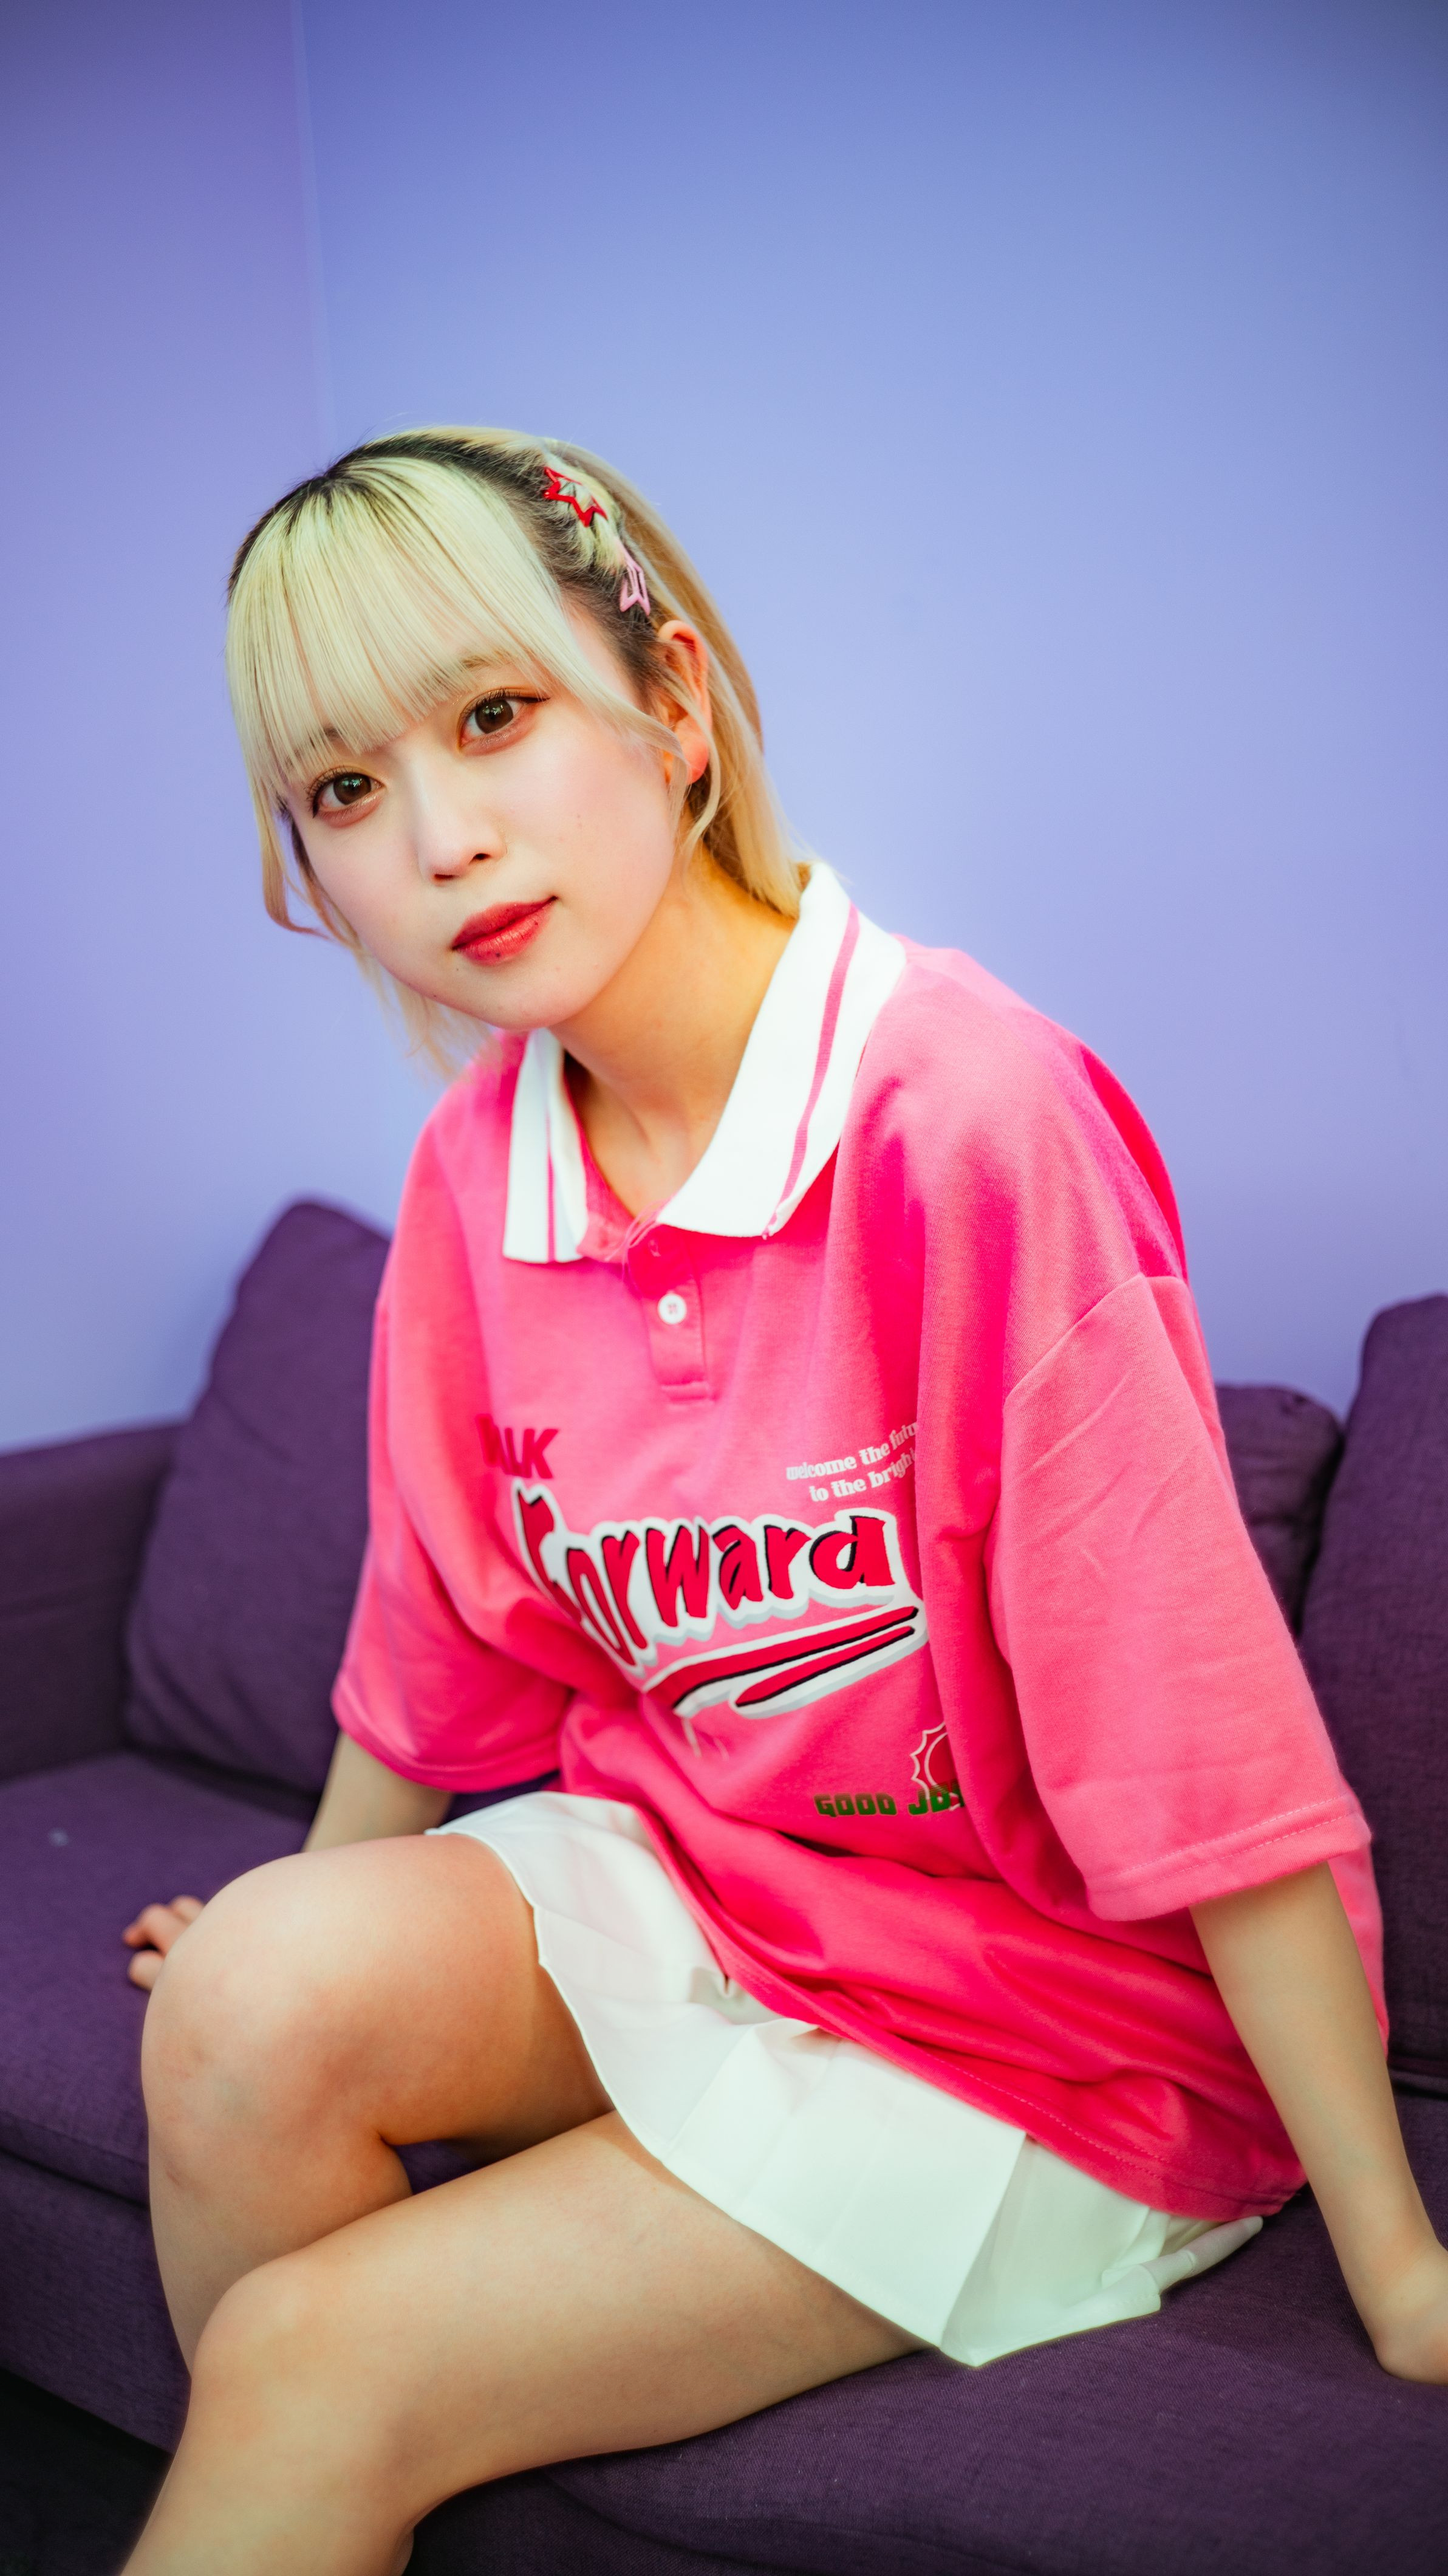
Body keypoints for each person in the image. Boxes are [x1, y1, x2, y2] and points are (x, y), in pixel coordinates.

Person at [119, 428, 1448, 2574]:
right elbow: (440, 1633)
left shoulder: (965, 1117)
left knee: (306, 2358)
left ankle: (325, 2449)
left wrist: (1398, 2262)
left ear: (673, 701)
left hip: (1045, 2035)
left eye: (494, 717)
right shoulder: (478, 1168)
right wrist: (285, 1931)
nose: (443, 842)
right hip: (710, 1894)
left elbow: (1193, 1732)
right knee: (238, 2007)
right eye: (348, 791)